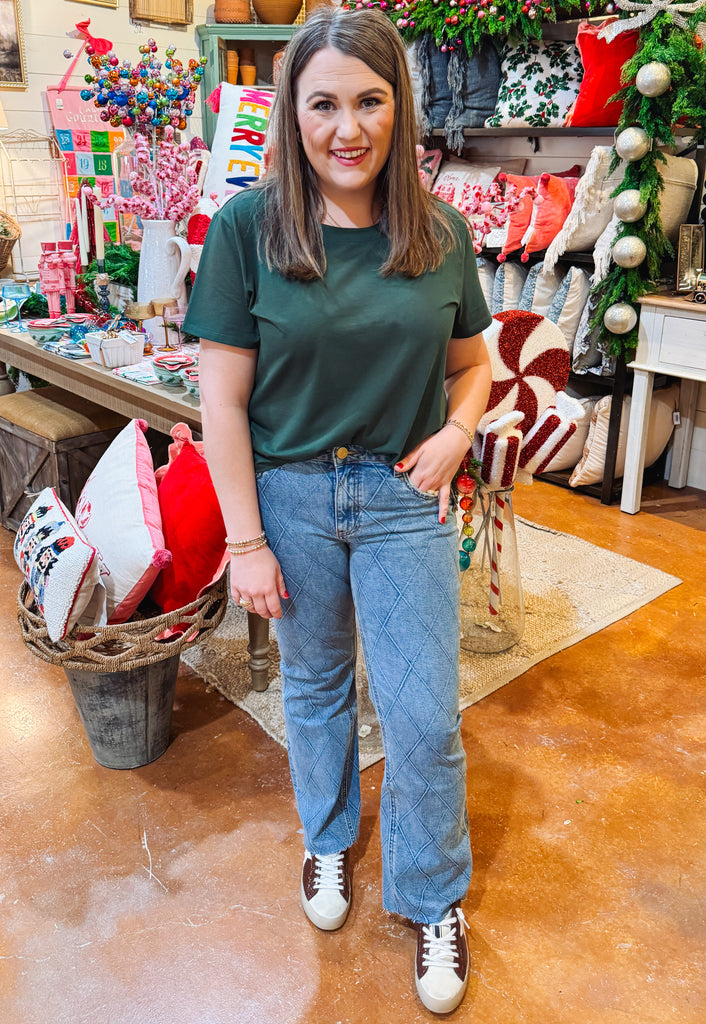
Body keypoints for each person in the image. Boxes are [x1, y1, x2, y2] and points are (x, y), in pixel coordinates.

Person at [183, 7, 492, 1014]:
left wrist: (457, 431)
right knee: (314, 687)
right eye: (323, 105)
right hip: (291, 492)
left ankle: (431, 894)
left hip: (404, 496)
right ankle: (326, 838)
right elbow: (221, 401)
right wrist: (245, 541)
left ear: (398, 108)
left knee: (421, 714)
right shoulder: (247, 228)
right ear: (292, 111)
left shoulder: (438, 233)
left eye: (368, 101)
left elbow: (473, 366)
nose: (347, 128)